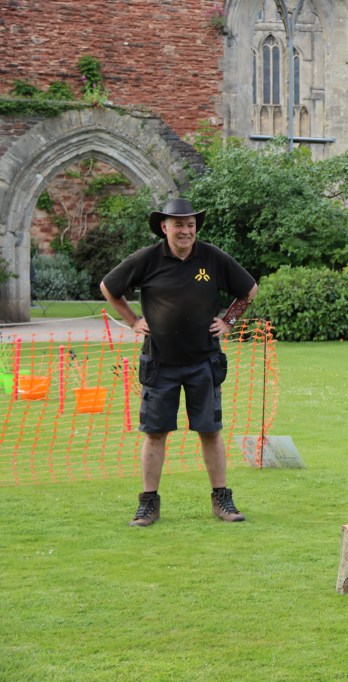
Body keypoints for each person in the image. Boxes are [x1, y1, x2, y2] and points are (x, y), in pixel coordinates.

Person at [100, 198, 258, 527]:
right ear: (164, 227)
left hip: (204, 361)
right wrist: (131, 320)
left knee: (210, 432)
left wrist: (228, 321)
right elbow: (109, 287)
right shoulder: (146, 259)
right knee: (155, 433)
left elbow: (249, 290)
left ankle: (221, 500)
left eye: (190, 224)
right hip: (160, 363)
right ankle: (148, 504)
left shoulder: (212, 257)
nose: (185, 230)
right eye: (178, 224)